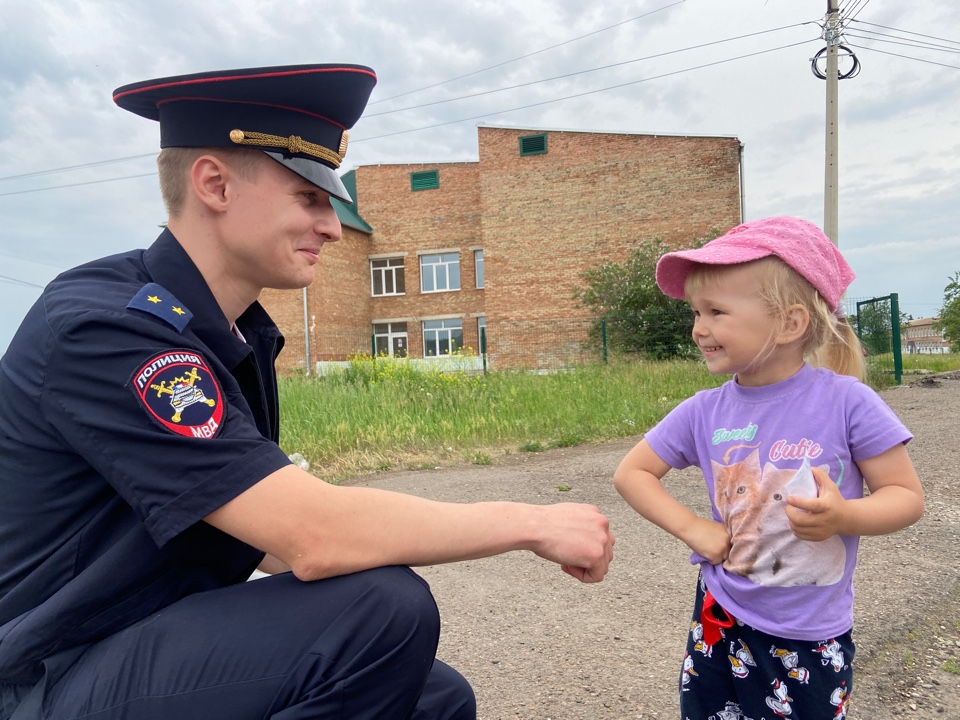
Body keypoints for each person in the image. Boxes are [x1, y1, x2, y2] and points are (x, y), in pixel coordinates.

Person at [0, 64, 614, 720]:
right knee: (384, 611)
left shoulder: (233, 334)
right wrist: (532, 522)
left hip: (139, 643)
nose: (330, 226)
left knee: (436, 699)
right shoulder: (110, 329)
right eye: (309, 198)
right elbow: (310, 536)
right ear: (213, 184)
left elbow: (261, 533)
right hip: (50, 671)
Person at [613, 216, 924, 719]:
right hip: (720, 617)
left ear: (790, 323)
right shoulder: (703, 411)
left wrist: (846, 517)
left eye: (716, 311)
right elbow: (632, 473)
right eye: (696, 311)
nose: (699, 327)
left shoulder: (849, 403)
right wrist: (694, 528)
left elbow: (906, 498)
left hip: (808, 633)